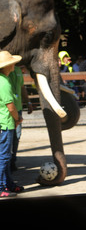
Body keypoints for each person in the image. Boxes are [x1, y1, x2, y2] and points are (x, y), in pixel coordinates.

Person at [0, 51, 24, 197]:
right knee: (3, 157)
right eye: (12, 63)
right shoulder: (4, 82)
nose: (14, 65)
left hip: (4, 123)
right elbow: (10, 106)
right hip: (6, 124)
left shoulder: (3, 79)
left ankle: (8, 184)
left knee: (6, 156)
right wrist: (17, 119)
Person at [8, 65, 33, 172]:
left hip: (18, 108)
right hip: (7, 109)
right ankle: (7, 161)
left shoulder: (18, 70)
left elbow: (22, 87)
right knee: (7, 136)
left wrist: (28, 102)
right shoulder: (4, 72)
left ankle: (12, 160)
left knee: (16, 135)